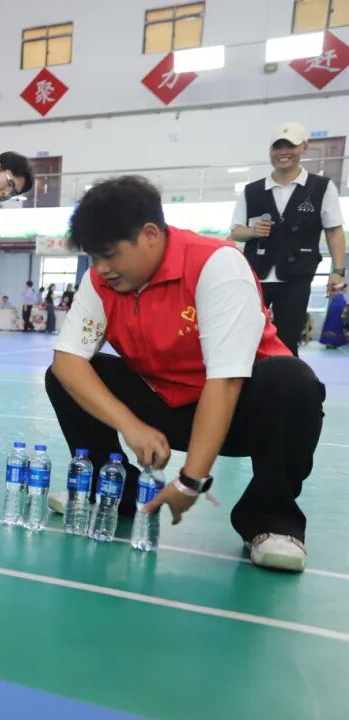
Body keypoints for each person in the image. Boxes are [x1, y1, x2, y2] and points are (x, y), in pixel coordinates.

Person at [47, 176, 324, 572]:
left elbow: (225, 381)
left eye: (109, 255)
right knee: (66, 376)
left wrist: (190, 481)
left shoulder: (216, 264)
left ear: (149, 234)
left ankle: (271, 520)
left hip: (239, 411)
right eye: (94, 258)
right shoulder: (101, 281)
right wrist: (130, 425)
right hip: (164, 404)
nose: (101, 268)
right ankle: (114, 490)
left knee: (293, 380)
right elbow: (68, 360)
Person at [230, 121, 346, 356]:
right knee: (247, 339)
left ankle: (286, 380)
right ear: (270, 151)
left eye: (290, 146)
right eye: (277, 147)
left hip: (297, 278)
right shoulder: (252, 190)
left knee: (287, 343)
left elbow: (334, 230)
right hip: (255, 277)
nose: (283, 152)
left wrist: (337, 271)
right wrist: (252, 231)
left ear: (303, 147)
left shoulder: (322, 188)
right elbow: (235, 231)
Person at [320, 284, 347, 349]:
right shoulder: (339, 296)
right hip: (336, 315)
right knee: (334, 327)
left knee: (332, 327)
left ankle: (332, 343)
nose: (346, 290)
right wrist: (343, 312)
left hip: (334, 314)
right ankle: (331, 343)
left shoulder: (338, 296)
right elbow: (342, 307)